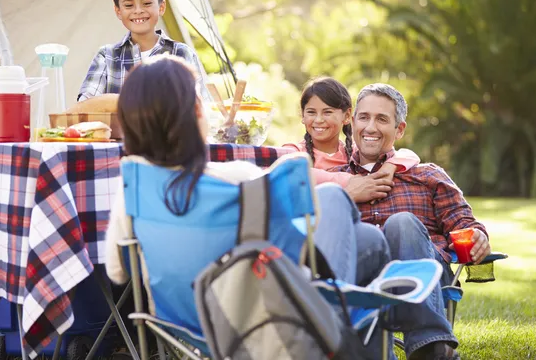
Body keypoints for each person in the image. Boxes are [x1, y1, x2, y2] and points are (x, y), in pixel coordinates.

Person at [105, 54, 390, 304]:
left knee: (364, 236)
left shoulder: (131, 188)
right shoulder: (238, 178)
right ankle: (331, 334)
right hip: (257, 319)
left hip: (183, 322)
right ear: (196, 112)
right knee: (364, 233)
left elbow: (118, 271)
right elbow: (289, 245)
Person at [332, 83, 492, 360]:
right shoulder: (336, 179)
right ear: (353, 122)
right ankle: (430, 346)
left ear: (400, 130)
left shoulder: (427, 175)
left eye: (382, 119)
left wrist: (478, 236)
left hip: (427, 279)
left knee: (402, 223)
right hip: (363, 283)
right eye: (364, 117)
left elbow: (463, 223)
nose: (370, 127)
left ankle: (428, 346)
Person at [77, 0, 210, 103]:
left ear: (161, 7)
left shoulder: (181, 53)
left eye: (146, 3)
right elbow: (86, 103)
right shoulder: (106, 56)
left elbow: (201, 105)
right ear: (118, 11)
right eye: (129, 5)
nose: (138, 10)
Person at [284, 77, 421, 204]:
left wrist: (390, 166)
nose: (319, 120)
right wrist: (352, 181)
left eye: (327, 112)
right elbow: (289, 172)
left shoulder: (353, 153)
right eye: (311, 112)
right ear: (302, 115)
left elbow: (407, 155)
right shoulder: (294, 152)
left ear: (347, 116)